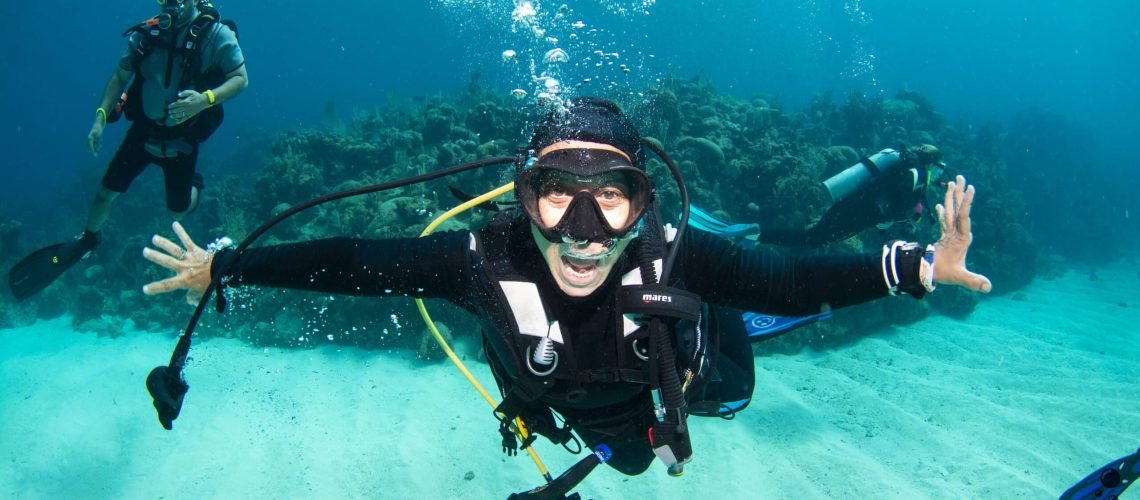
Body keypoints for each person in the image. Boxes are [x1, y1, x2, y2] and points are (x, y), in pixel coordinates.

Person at [140, 98, 991, 495]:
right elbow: (356, 261)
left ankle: (730, 312)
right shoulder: (479, 261)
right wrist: (228, 267)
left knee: (746, 338)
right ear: (523, 198)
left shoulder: (671, 253)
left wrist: (916, 267)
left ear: (643, 202)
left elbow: (799, 277)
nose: (582, 230)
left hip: (694, 368)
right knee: (623, 464)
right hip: (590, 416)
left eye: (610, 196)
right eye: (558, 194)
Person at [6, 0, 247, 301]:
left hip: (182, 138)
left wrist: (206, 98)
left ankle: (195, 183)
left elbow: (240, 78)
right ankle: (89, 240)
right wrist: (100, 119)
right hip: (143, 133)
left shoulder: (216, 35)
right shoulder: (146, 36)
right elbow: (120, 77)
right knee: (105, 192)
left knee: (177, 210)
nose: (170, 5)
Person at [757, 144, 947, 247]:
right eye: (938, 168)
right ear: (932, 163)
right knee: (811, 239)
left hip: (855, 203)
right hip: (860, 213)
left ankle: (758, 235)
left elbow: (888, 193)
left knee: (812, 237)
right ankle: (757, 235)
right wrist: (901, 222)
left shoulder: (907, 165)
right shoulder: (918, 173)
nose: (938, 175)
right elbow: (897, 204)